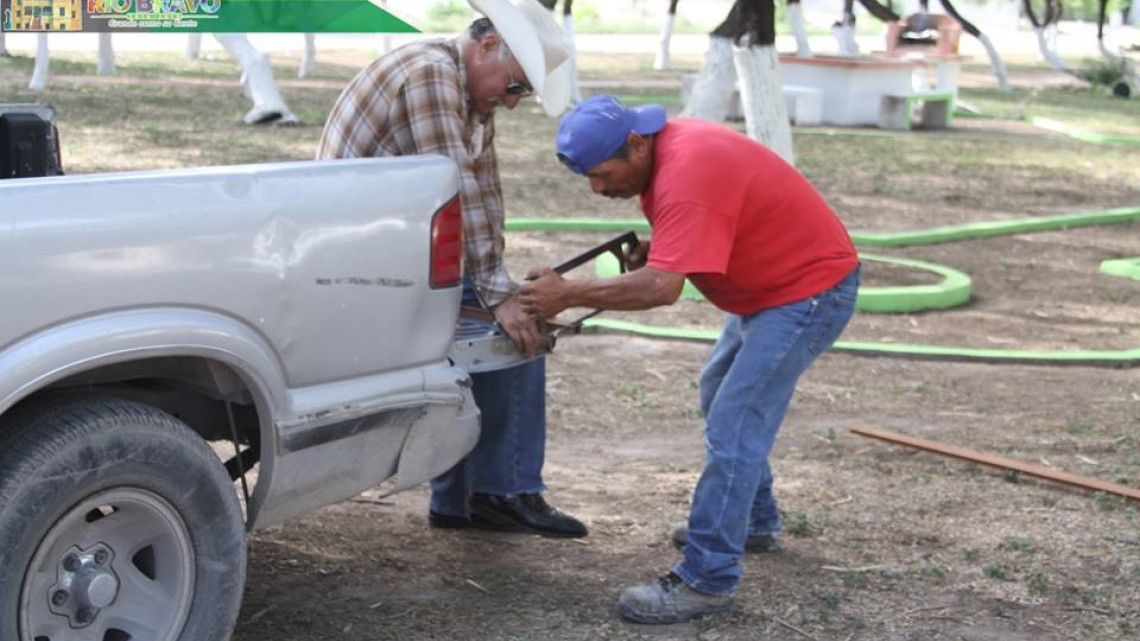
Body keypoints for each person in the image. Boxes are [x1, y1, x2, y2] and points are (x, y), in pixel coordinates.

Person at [519, 95, 861, 622]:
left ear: (636, 143)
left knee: (736, 423)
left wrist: (568, 293)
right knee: (716, 391)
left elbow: (660, 288)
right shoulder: (668, 151)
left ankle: (706, 579)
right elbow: (700, 229)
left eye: (605, 174)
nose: (599, 189)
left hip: (806, 293)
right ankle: (753, 522)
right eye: (589, 178)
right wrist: (664, 247)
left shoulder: (686, 171)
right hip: (773, 290)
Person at [316, 0, 586, 539]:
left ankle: (466, 498)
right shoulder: (431, 76)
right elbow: (455, 190)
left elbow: (486, 191)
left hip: (399, 245)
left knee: (508, 316)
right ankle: (500, 492)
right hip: (363, 256)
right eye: (513, 86)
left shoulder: (467, 85)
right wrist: (498, 296)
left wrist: (498, 282)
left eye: (522, 95)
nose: (511, 104)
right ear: (486, 45)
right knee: (516, 337)